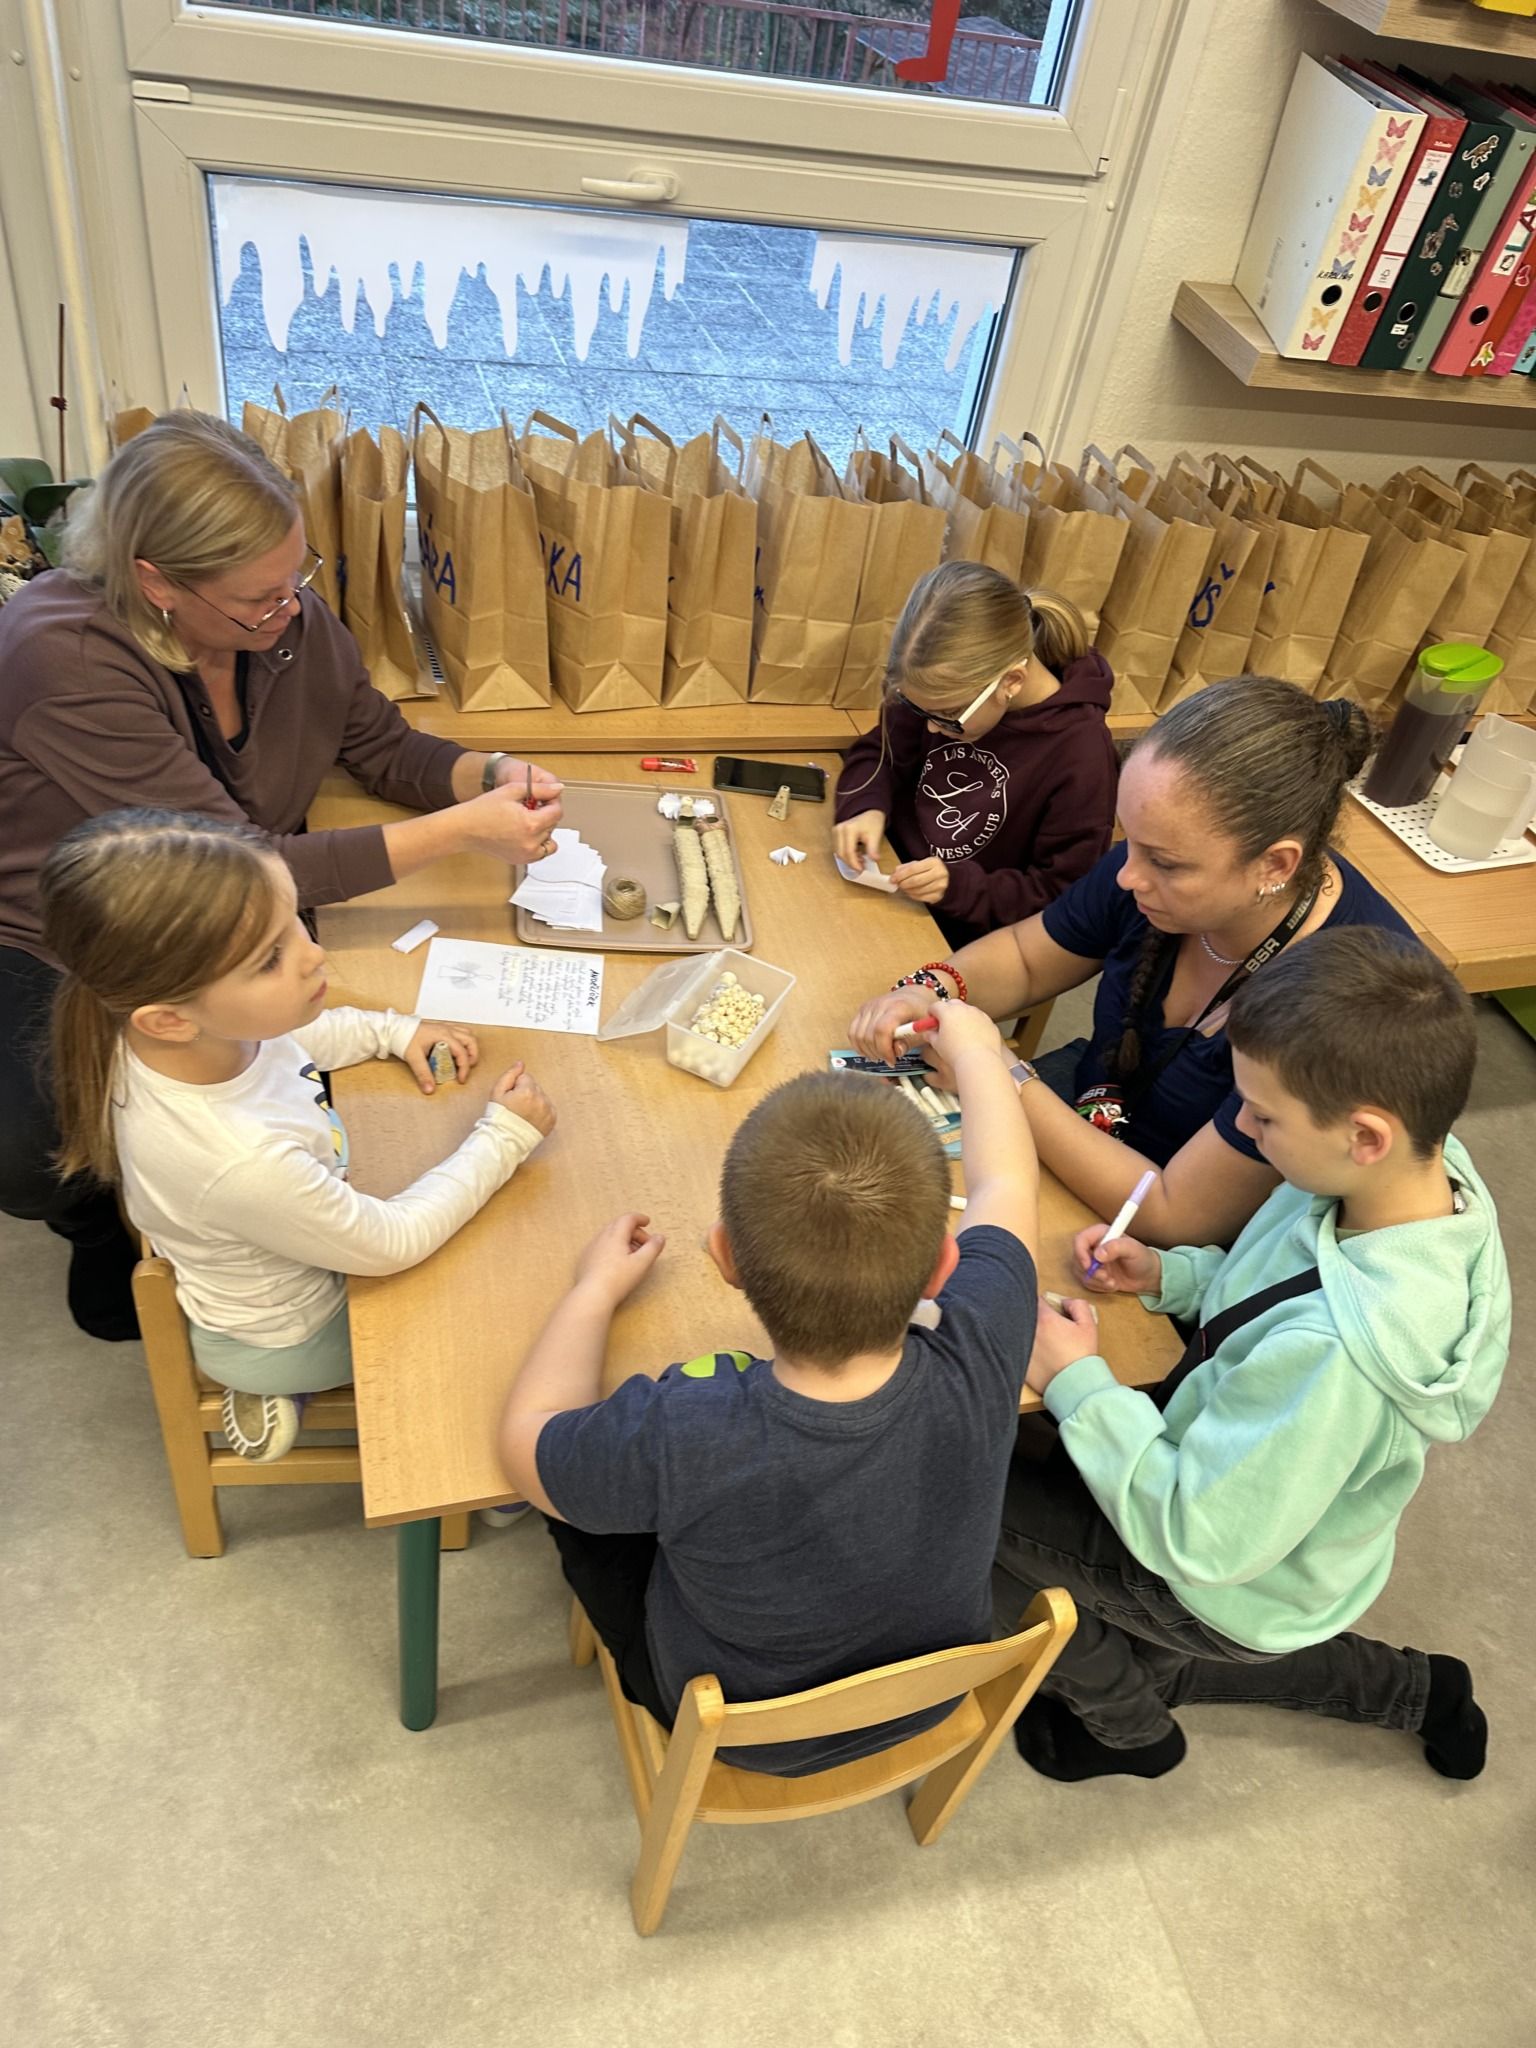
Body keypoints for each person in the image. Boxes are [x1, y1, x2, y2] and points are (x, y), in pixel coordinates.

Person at [0, 410, 563, 1341]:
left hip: (230, 899)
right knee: (35, 1150)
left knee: (260, 1051)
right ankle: (109, 1231)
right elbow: (241, 861)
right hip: (51, 932)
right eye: (260, 598)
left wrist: (491, 773)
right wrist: (461, 834)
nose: (291, 610)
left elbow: (381, 745)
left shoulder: (283, 618)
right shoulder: (60, 655)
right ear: (155, 582)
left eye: (296, 578)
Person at [995, 928, 1508, 1785]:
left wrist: (1079, 1382)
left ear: (1366, 1135)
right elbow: (1274, 1284)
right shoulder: (1406, 1175)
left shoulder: (1340, 1357)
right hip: (1263, 1535)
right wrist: (1172, 1274)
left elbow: (1198, 1540)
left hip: (1220, 1569)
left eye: (1264, 1116)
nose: (1241, 1125)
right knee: (1190, 1639)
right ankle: (1420, 1691)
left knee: (955, 1500)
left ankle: (1125, 1726)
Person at [497, 1004, 1038, 1776]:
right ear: (943, 1272)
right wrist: (980, 1051)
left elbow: (528, 1438)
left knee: (579, 1510)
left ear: (724, 1258)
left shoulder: (684, 1430)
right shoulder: (985, 1343)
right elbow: (1006, 1183)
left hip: (740, 1731)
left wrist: (592, 1291)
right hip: (929, 1699)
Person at [40, 808, 555, 1462]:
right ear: (170, 1019)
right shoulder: (242, 1160)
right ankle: (477, 1463)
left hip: (272, 1252)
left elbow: (291, 1039)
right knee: (515, 1301)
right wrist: (504, 1136)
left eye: (293, 922)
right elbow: (391, 1242)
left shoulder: (174, 1039)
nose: (314, 953)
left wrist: (394, 1031)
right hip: (295, 1336)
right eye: (271, 958)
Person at [850, 676, 1415, 1252]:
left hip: (1168, 1243)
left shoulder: (1350, 1005)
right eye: (1130, 841)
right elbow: (1025, 958)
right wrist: (930, 990)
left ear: (1275, 865)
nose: (1126, 876)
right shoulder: (1159, 863)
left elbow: (1175, 1215)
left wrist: (995, 1074)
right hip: (1087, 1116)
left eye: (1164, 863)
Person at [832, 566, 1117, 946]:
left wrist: (959, 887)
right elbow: (879, 752)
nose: (932, 728)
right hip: (890, 882)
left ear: (1011, 682)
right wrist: (865, 807)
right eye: (917, 709)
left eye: (948, 715)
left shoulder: (1082, 756)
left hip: (964, 936)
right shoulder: (940, 690)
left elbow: (1059, 895)